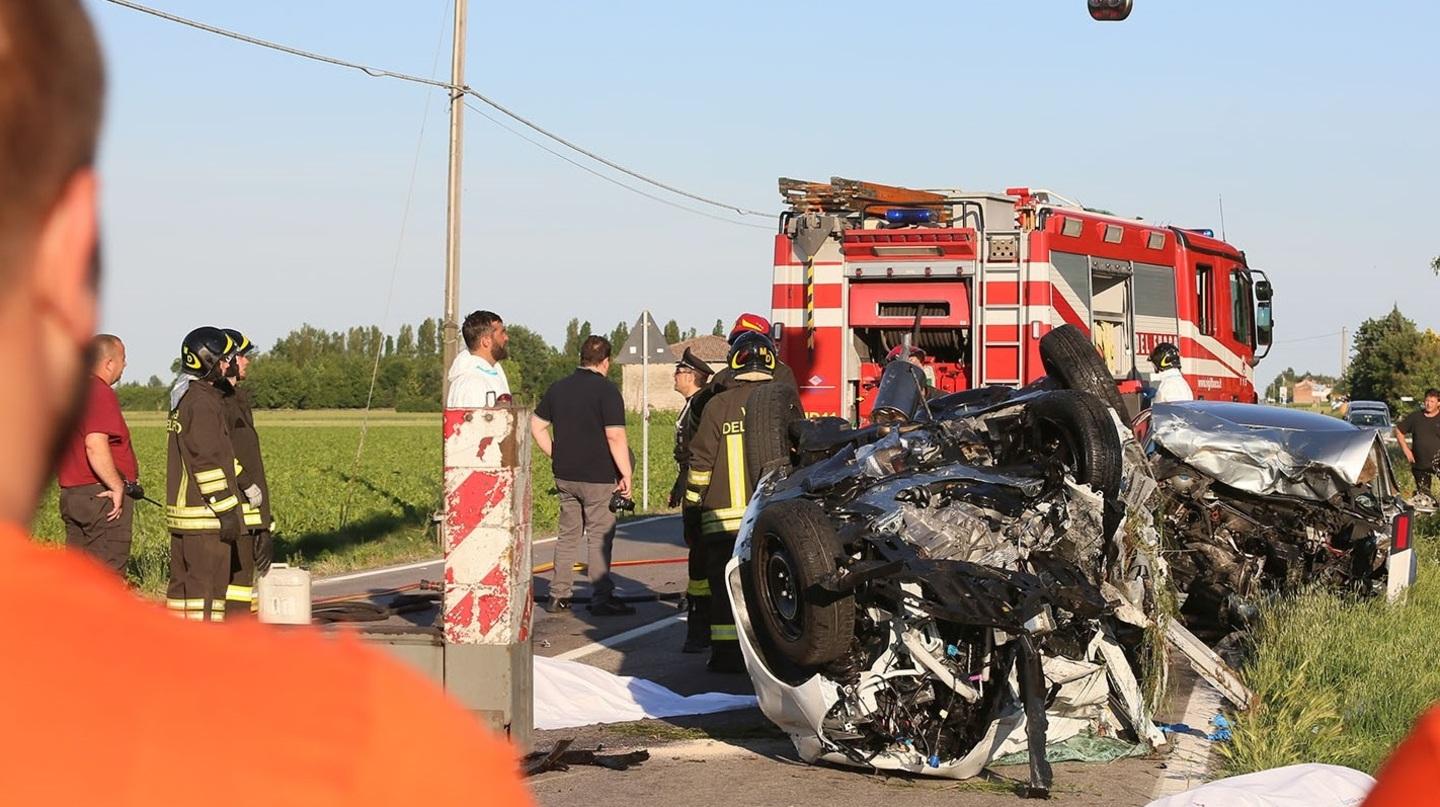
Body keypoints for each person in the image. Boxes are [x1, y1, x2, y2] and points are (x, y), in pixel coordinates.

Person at [0, 3, 532, 803]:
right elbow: (214, 471)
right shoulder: (383, 750)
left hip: (222, 539)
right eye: (237, 355)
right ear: (72, 248)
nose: (245, 365)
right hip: (213, 538)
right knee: (208, 618)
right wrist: (242, 516)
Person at [685, 332, 778, 672]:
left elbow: (699, 467)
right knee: (767, 586)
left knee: (724, 589)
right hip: (769, 519)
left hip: (720, 523)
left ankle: (726, 656)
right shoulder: (782, 401)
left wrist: (692, 511)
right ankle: (769, 656)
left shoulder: (716, 406)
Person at [532, 335, 635, 616]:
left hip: (565, 476)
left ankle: (558, 595)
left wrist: (556, 454)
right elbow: (614, 436)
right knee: (599, 537)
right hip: (598, 478)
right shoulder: (607, 391)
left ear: (581, 358)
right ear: (606, 361)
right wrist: (626, 475)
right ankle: (601, 598)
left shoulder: (558, 388)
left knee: (568, 536)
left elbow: (536, 426)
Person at [166, 327, 253, 623]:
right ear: (208, 361)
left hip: (186, 514)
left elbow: (219, 455)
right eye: (226, 359)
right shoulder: (202, 403)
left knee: (183, 593)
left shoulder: (185, 397)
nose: (230, 364)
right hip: (205, 516)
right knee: (208, 595)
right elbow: (206, 461)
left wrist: (245, 482)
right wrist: (227, 509)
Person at [55, 334, 138, 575]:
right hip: (99, 496)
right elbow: (94, 444)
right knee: (105, 576)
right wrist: (117, 486)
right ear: (109, 363)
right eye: (123, 358)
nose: (125, 365)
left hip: (73, 495)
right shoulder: (99, 392)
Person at [223, 328, 273, 611]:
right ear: (228, 359)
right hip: (234, 511)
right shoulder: (218, 402)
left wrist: (263, 526)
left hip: (249, 514)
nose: (247, 362)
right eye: (242, 356)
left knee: (242, 588)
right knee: (235, 591)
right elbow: (222, 455)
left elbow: (252, 463)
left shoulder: (239, 398)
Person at [668, 347, 714, 652]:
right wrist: (677, 484)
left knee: (700, 554)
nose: (674, 376)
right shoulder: (690, 405)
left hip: (699, 490)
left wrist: (689, 489)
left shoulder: (699, 406)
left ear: (690, 376)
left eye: (678, 371)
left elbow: (699, 454)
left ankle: (701, 626)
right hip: (688, 482)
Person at [447, 309, 511, 407]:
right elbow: (473, 422)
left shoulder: (493, 373)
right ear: (486, 341)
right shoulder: (471, 383)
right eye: (502, 333)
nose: (506, 338)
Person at [1397, 388, 1440, 500]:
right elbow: (1399, 431)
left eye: (1432, 401)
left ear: (1438, 403)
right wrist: (1406, 451)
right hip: (1420, 464)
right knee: (1424, 497)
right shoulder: (1415, 417)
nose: (1428, 404)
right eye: (1427, 401)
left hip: (1438, 462)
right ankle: (1427, 515)